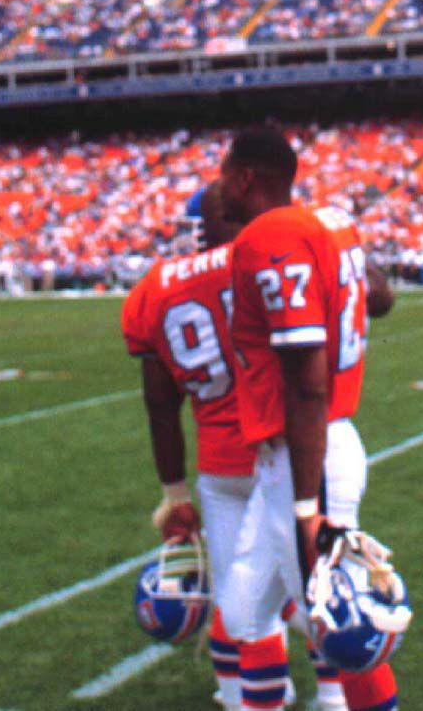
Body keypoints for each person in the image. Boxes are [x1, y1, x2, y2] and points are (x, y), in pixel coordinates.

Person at [122, 182, 332, 710]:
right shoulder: (264, 256)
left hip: (220, 468)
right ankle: (333, 698)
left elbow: (160, 404)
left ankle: (247, 698)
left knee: (244, 606)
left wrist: (173, 491)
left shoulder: (152, 287)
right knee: (319, 589)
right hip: (282, 454)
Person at [220, 128, 398, 711]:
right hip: (301, 452)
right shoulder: (331, 222)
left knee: (344, 625)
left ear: (246, 178)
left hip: (308, 454)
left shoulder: (269, 235)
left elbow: (305, 382)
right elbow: (381, 296)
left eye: (224, 174)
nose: (217, 188)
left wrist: (304, 507)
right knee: (246, 607)